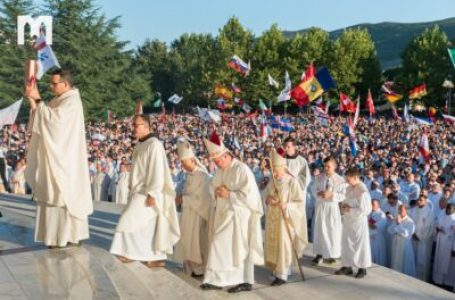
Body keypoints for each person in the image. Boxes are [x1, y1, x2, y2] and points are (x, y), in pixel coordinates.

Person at [25, 69, 93, 248]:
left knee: (61, 196)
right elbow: (43, 119)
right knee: (52, 195)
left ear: (66, 84)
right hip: (54, 156)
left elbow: (55, 124)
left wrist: (39, 100)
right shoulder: (58, 100)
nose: (51, 86)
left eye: (54, 83)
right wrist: (33, 101)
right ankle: (56, 236)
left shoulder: (72, 101)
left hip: (65, 161)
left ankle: (65, 237)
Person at [110, 114, 180, 267]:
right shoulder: (141, 144)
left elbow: (157, 170)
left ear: (147, 126)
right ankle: (154, 257)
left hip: (149, 191)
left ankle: (127, 252)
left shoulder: (154, 144)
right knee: (148, 226)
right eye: (133, 125)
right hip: (139, 190)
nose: (134, 128)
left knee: (128, 220)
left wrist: (153, 193)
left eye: (137, 125)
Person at [200, 131, 263, 293]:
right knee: (222, 247)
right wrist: (216, 191)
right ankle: (218, 279)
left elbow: (251, 197)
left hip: (238, 217)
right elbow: (212, 186)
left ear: (227, 155)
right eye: (215, 161)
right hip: (223, 214)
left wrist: (230, 194)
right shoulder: (221, 170)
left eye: (219, 160)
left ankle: (244, 280)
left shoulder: (242, 170)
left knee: (235, 248)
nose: (217, 164)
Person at [263, 148, 307, 286]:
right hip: (274, 217)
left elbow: (299, 203)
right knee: (275, 244)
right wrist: (268, 200)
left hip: (286, 220)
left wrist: (286, 205)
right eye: (273, 170)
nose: (274, 173)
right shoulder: (272, 181)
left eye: (276, 170)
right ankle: (277, 270)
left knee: (284, 245)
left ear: (283, 167)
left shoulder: (292, 182)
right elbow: (266, 194)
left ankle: (282, 275)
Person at [174, 138, 211, 277]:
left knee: (196, 242)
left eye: (184, 162)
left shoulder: (203, 176)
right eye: (181, 163)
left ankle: (199, 269)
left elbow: (202, 199)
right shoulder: (189, 175)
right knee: (187, 241)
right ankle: (189, 267)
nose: (182, 165)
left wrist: (183, 199)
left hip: (197, 215)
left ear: (193, 160)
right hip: (187, 214)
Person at [335, 167, 372, 278]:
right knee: (346, 243)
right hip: (348, 221)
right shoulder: (349, 188)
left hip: (358, 223)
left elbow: (366, 210)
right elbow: (345, 201)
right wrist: (344, 207)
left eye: (349, 179)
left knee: (360, 245)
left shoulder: (363, 191)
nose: (347, 181)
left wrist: (350, 210)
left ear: (355, 177)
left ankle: (362, 268)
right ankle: (347, 266)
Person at [311, 156, 345, 265]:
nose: (326, 168)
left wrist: (332, 195)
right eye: (324, 166)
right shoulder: (319, 178)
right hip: (321, 206)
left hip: (332, 207)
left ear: (334, 166)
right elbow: (313, 190)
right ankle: (319, 253)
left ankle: (331, 254)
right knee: (320, 230)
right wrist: (319, 193)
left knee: (332, 230)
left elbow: (343, 195)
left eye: (328, 166)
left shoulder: (340, 180)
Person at [408, 194, 434, 281]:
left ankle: (422, 278)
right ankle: (412, 276)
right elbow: (410, 222)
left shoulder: (429, 212)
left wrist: (420, 236)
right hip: (413, 237)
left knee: (422, 260)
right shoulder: (413, 210)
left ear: (426, 201)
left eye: (421, 200)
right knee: (413, 257)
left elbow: (429, 227)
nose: (419, 202)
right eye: (418, 200)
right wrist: (413, 233)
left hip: (423, 241)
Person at [388, 205, 416, 277]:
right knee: (395, 261)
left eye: (402, 210)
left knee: (404, 263)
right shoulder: (397, 219)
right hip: (396, 243)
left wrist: (399, 224)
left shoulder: (410, 222)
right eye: (399, 210)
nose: (400, 211)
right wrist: (397, 225)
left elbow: (406, 234)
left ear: (406, 211)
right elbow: (390, 230)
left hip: (404, 245)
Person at [432, 204, 455, 288]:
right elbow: (436, 225)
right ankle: (437, 280)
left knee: (446, 263)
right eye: (447, 208)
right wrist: (437, 229)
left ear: (454, 210)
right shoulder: (442, 216)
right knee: (438, 260)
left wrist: (454, 248)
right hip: (440, 242)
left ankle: (446, 282)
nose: (447, 210)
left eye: (450, 209)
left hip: (449, 245)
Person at [368, 199, 387, 266]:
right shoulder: (369, 212)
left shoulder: (382, 214)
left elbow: (375, 227)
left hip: (377, 238)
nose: (372, 206)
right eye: (371, 204)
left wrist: (367, 223)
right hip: (369, 238)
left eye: (373, 204)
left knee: (377, 256)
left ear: (378, 205)